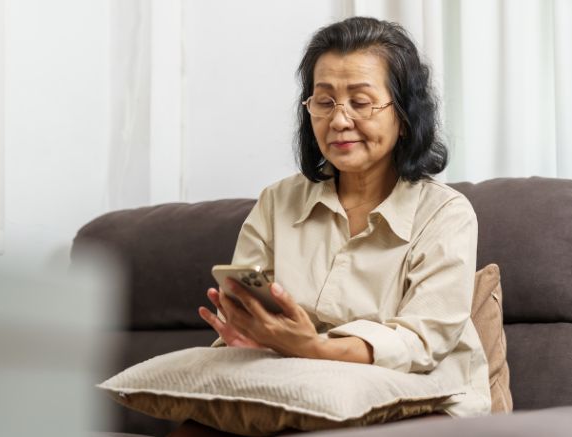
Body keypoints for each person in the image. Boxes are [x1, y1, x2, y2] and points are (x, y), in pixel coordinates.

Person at [187, 16, 490, 435]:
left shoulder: (446, 214)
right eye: (324, 102)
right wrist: (253, 336)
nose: (339, 121)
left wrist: (311, 347)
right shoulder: (277, 202)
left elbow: (420, 345)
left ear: (404, 116)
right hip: (296, 389)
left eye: (361, 102)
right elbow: (257, 318)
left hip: (418, 399)